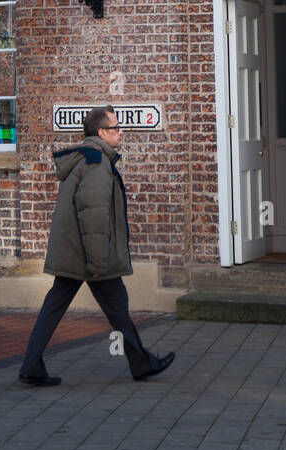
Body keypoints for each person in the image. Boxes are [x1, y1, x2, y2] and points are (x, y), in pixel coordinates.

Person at [18, 106, 175, 387]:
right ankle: (141, 363)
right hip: (88, 257)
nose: (121, 132)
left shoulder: (90, 158)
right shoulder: (97, 164)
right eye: (116, 128)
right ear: (102, 132)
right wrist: (98, 262)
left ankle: (32, 365)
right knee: (115, 307)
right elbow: (93, 214)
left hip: (75, 252)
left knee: (61, 307)